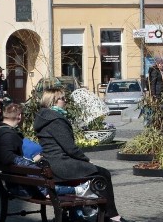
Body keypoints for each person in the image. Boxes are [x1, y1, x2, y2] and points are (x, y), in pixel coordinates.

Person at [34, 88, 129, 222]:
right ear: (53, 101)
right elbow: (70, 148)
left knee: (95, 175)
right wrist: (86, 160)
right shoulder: (56, 120)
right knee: (103, 174)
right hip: (61, 165)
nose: (65, 101)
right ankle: (112, 215)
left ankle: (83, 214)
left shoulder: (42, 117)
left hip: (51, 164)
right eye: (62, 98)